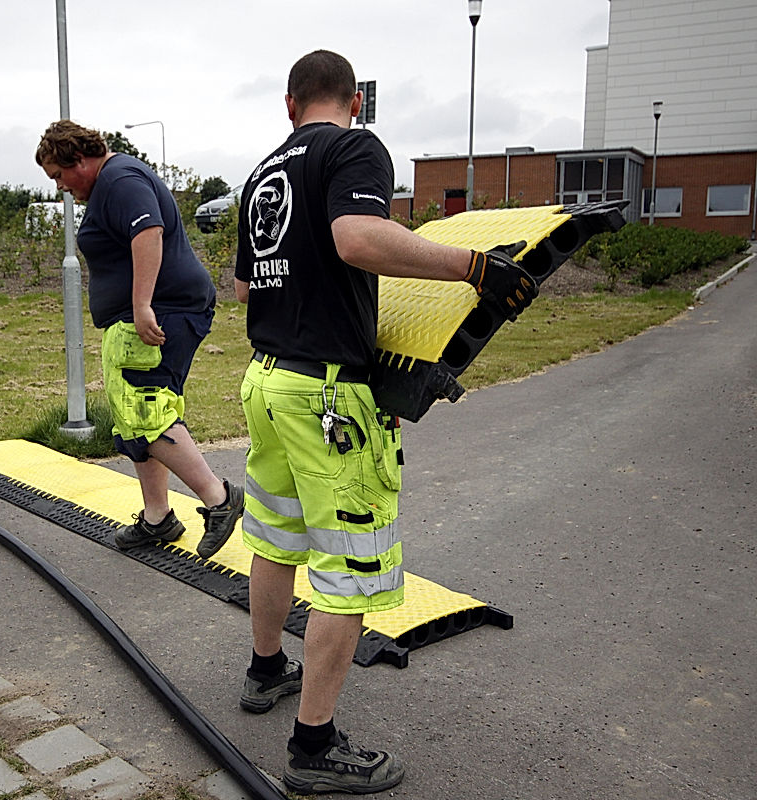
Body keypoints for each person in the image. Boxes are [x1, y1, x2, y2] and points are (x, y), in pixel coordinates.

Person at [232, 50, 536, 795]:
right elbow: (358, 239)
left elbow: (243, 287)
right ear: (356, 101)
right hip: (326, 400)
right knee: (351, 572)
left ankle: (267, 669)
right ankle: (314, 747)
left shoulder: (265, 172)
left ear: (289, 104)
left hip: (266, 382)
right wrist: (475, 268)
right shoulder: (354, 148)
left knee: (275, 536)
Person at [35, 120, 245, 559]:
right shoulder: (110, 183)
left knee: (148, 410)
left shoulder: (120, 180)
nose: (61, 187)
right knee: (135, 414)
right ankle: (157, 517)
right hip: (149, 313)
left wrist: (142, 304)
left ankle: (220, 499)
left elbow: (149, 234)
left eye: (59, 175)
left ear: (80, 159)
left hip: (165, 310)